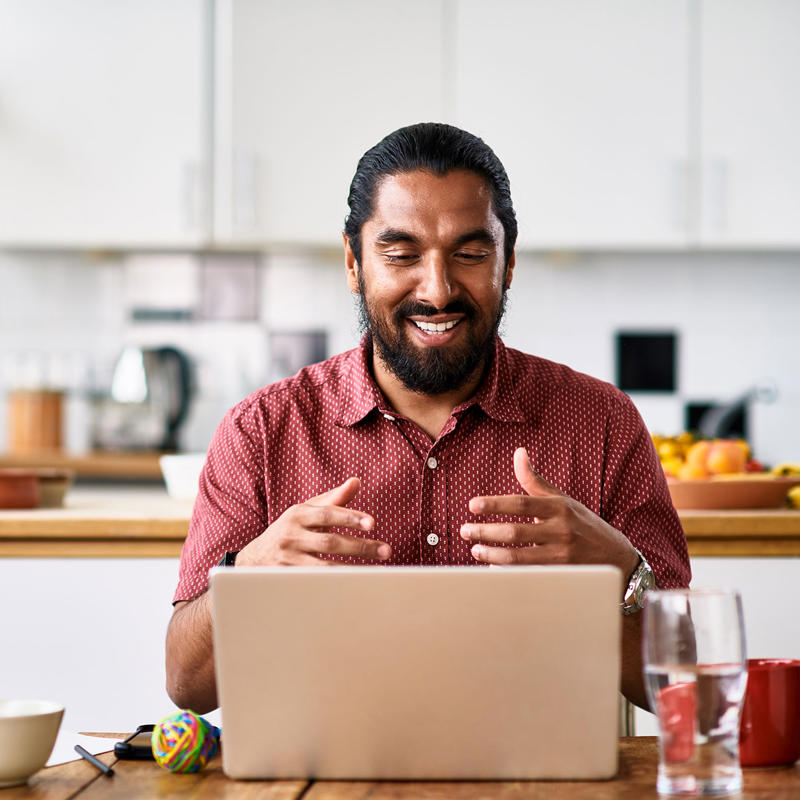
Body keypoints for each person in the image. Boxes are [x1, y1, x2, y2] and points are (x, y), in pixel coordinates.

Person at [166, 122, 690, 714]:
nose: (437, 290)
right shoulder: (261, 430)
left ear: (508, 262)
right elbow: (188, 686)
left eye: (469, 254)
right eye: (400, 254)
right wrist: (249, 572)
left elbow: (680, 686)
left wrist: (621, 570)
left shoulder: (601, 423)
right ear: (354, 261)